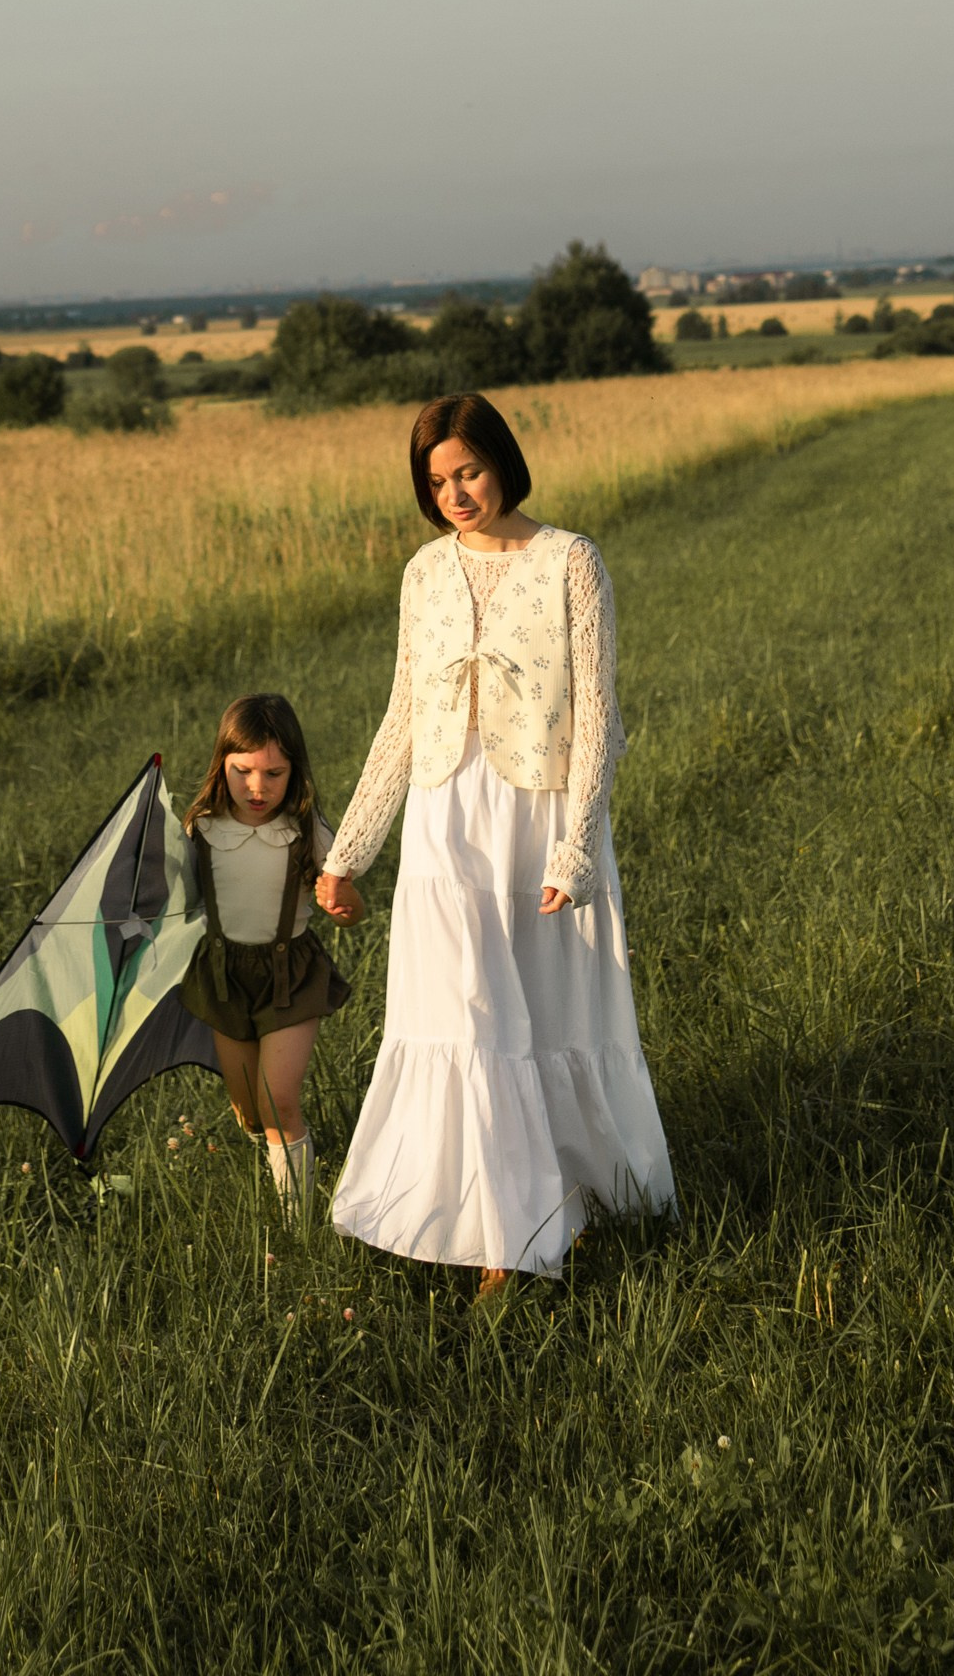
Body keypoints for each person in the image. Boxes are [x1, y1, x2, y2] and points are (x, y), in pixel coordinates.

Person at [315, 394, 673, 1286]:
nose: (455, 494)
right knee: (461, 1015)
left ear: (502, 462)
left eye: (467, 471)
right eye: (436, 481)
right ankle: (492, 1230)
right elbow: (402, 717)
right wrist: (349, 851)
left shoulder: (570, 562)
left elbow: (597, 717)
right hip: (445, 819)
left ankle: (562, 1202)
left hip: (538, 816)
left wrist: (578, 846)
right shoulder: (424, 573)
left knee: (542, 1012)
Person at [177, 691, 356, 1217]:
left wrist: (343, 904)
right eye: (244, 771)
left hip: (289, 976)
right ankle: (272, 1163)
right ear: (222, 765)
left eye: (274, 774)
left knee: (278, 1102)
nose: (258, 788)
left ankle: (296, 1227)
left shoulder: (305, 831)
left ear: (294, 771)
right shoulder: (201, 829)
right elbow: (177, 899)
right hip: (223, 976)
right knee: (250, 1113)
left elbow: (348, 898)